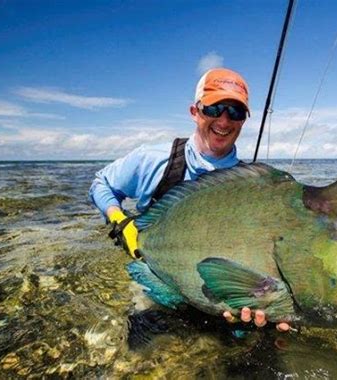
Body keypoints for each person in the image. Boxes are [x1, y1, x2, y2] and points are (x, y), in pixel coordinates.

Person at [89, 68, 291, 332]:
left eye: (235, 112)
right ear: (195, 112)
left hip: (215, 298)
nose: (224, 120)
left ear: (243, 121)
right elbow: (101, 184)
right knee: (141, 348)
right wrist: (119, 219)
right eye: (215, 108)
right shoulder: (153, 158)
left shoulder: (251, 183)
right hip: (156, 276)